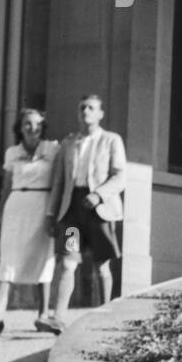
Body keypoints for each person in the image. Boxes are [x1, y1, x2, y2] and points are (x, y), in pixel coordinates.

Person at [42, 94, 127, 334]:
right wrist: (51, 214)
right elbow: (58, 182)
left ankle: (105, 318)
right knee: (69, 261)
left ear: (100, 114)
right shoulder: (68, 144)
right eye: (82, 108)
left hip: (99, 211)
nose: (86, 111)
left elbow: (120, 176)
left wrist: (99, 195)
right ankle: (58, 317)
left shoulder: (111, 141)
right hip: (73, 211)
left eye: (91, 108)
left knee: (101, 265)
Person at [0, 109, 59, 335]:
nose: (32, 128)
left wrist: (54, 214)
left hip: (41, 206)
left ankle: (43, 316)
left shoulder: (52, 149)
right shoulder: (12, 152)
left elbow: (59, 181)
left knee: (44, 259)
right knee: (9, 260)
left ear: (43, 127)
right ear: (20, 127)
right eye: (27, 124)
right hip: (16, 207)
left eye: (37, 124)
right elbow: (5, 187)